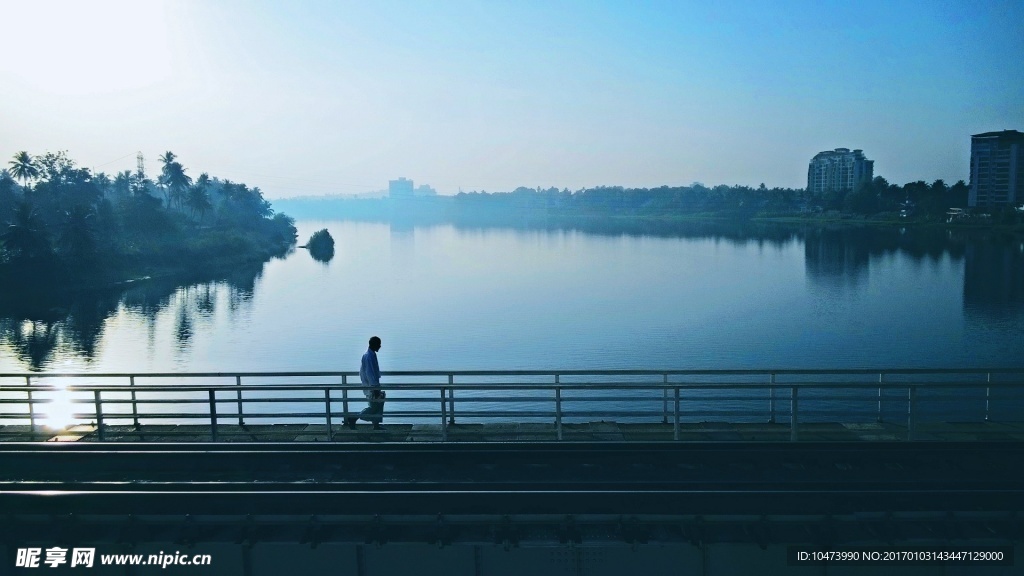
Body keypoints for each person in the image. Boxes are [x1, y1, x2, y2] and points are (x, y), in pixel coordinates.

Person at [347, 336, 384, 430]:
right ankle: (355, 417)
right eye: (379, 344)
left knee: (377, 404)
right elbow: (370, 373)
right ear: (374, 344)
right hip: (372, 386)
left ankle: (376, 424)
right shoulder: (369, 357)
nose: (380, 346)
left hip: (372, 385)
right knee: (374, 407)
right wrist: (375, 388)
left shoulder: (370, 354)